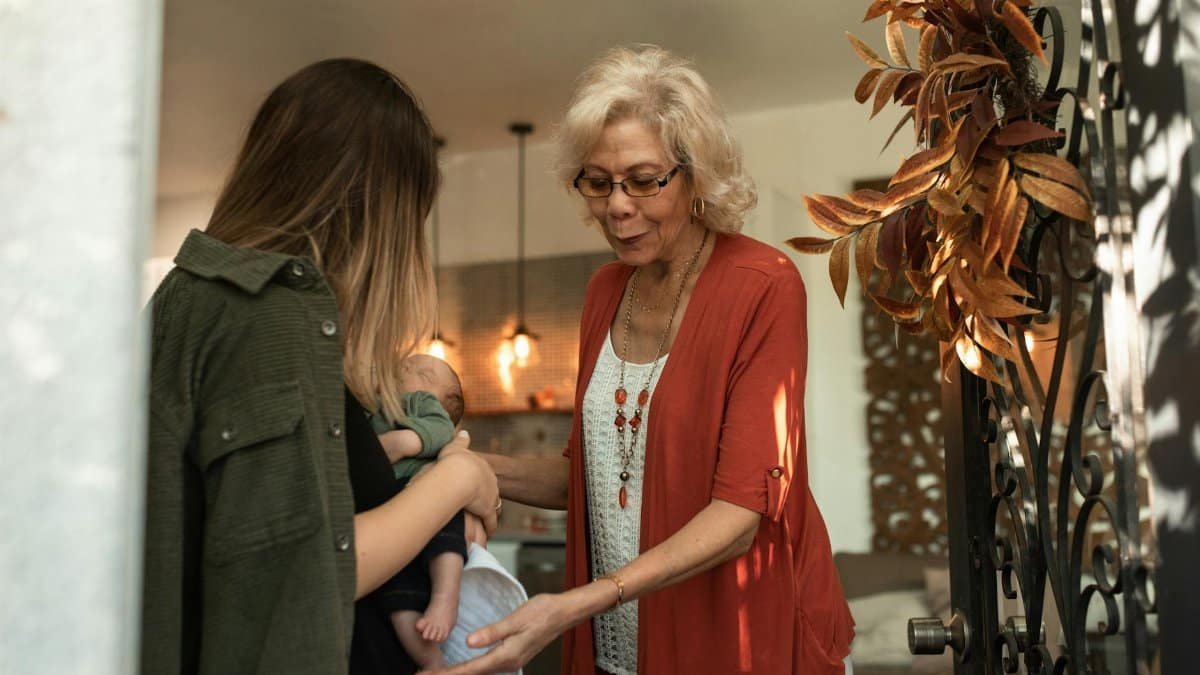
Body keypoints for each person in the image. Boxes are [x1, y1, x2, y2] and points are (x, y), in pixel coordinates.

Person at [432, 46, 855, 675]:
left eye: (643, 179)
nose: (617, 206)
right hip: (623, 638)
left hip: (738, 629)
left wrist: (577, 603)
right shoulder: (606, 291)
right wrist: (466, 471)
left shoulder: (762, 284)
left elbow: (740, 514)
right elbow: (595, 477)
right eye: (598, 183)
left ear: (697, 174)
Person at [141, 58, 499, 675]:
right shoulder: (267, 315)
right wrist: (457, 483)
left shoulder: (186, 303)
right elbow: (305, 570)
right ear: (382, 212)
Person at [369, 354, 470, 669]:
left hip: (424, 491)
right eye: (406, 365)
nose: (407, 369)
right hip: (391, 508)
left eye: (423, 373)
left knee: (446, 538)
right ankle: (432, 663)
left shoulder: (419, 402)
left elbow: (442, 430)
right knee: (398, 597)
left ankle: (446, 595)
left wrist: (407, 441)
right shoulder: (377, 404)